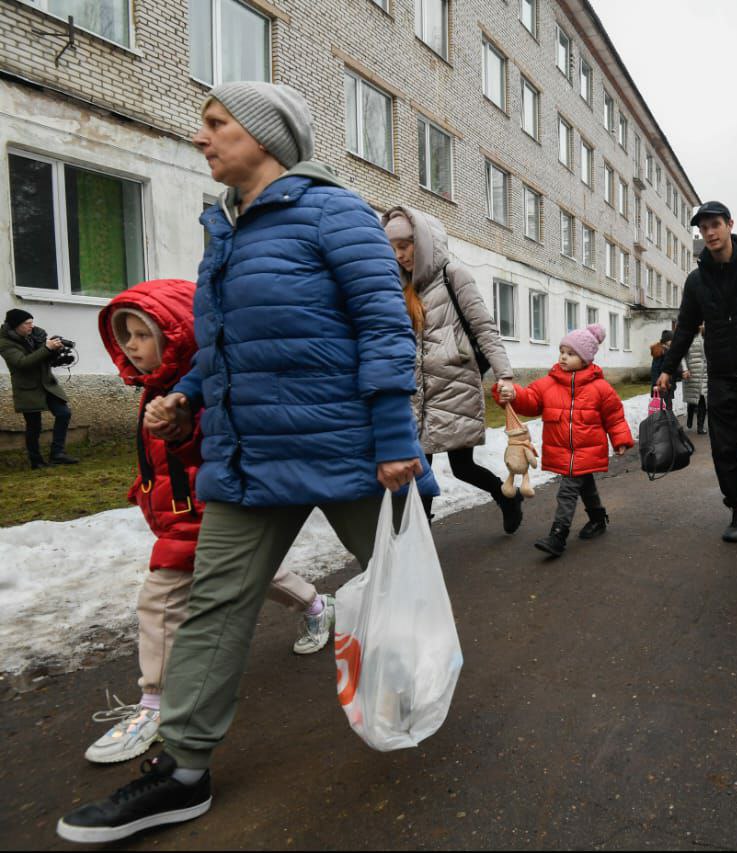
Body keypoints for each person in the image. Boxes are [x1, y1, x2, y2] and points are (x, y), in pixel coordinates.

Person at [57, 81, 436, 845]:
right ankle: (183, 772)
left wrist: (395, 433)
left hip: (345, 448)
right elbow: (228, 339)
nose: (202, 137)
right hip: (248, 454)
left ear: (264, 137)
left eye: (216, 123)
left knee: (401, 585)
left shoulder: (334, 213)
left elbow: (384, 325)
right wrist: (188, 395)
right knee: (213, 603)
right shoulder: (223, 228)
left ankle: (418, 690)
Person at [85, 279, 336, 766]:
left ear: (177, 335)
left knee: (160, 598)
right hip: (183, 509)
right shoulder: (157, 388)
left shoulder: (205, 389)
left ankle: (155, 704)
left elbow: (215, 446)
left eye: (143, 334)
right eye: (125, 336)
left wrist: (180, 429)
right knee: (247, 573)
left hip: (208, 506)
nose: (132, 347)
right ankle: (315, 604)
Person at [381, 206, 522, 533]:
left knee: (462, 468)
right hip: (416, 394)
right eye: (392, 248)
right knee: (420, 468)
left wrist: (505, 374)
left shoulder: (453, 274)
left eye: (405, 246)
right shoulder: (400, 285)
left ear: (423, 242)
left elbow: (484, 327)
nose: (399, 255)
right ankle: (419, 541)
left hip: (455, 386)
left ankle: (505, 496)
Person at [655, 201, 737, 543]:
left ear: (730, 224)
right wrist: (668, 369)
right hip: (723, 380)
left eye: (715, 225)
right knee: (724, 450)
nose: (709, 233)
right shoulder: (697, 281)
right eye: (703, 228)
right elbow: (684, 328)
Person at [497, 324, 633, 558]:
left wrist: (619, 439)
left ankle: (558, 536)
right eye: (561, 351)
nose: (563, 357)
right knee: (585, 483)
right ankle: (598, 519)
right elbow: (531, 401)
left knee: (567, 491)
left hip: (586, 449)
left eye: (570, 354)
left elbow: (614, 415)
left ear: (585, 359)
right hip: (564, 450)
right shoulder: (548, 384)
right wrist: (515, 394)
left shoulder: (600, 388)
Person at [1, 308, 78, 469]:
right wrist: (47, 348)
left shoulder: (35, 336)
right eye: (27, 323)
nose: (31, 326)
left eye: (31, 322)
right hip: (27, 388)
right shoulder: (5, 343)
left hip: (47, 384)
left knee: (64, 413)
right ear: (16, 326)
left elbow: (44, 358)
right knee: (34, 426)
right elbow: (22, 363)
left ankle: (58, 453)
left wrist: (56, 352)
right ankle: (36, 461)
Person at [683, 324, 709, 434]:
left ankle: (700, 427)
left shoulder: (705, 336)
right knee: (693, 399)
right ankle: (689, 420)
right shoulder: (687, 337)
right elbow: (682, 356)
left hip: (704, 374)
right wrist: (685, 370)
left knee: (702, 400)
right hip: (692, 373)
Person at [649, 329, 683, 409]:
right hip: (661, 385)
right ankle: (665, 421)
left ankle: (666, 421)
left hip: (668, 385)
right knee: (665, 408)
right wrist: (655, 384)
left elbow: (673, 368)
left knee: (667, 407)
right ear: (666, 341)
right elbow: (655, 369)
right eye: (671, 340)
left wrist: (681, 374)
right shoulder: (660, 351)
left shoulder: (669, 351)